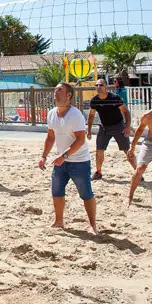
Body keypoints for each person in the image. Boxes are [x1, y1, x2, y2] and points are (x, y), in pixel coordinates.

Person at [38, 83, 97, 235]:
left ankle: (92, 225)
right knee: (56, 191)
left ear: (69, 95)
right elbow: (50, 137)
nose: (55, 92)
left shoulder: (76, 115)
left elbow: (80, 140)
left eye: (59, 90)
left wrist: (64, 156)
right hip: (61, 161)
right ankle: (59, 221)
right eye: (55, 89)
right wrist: (44, 156)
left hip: (79, 161)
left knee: (86, 193)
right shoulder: (51, 113)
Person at [86, 80, 136, 180]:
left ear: (106, 87)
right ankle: (98, 172)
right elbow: (91, 115)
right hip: (104, 127)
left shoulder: (115, 98)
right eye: (97, 85)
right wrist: (89, 130)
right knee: (99, 150)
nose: (98, 86)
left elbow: (126, 112)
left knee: (127, 150)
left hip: (118, 126)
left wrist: (127, 126)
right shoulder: (94, 100)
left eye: (101, 85)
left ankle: (138, 172)